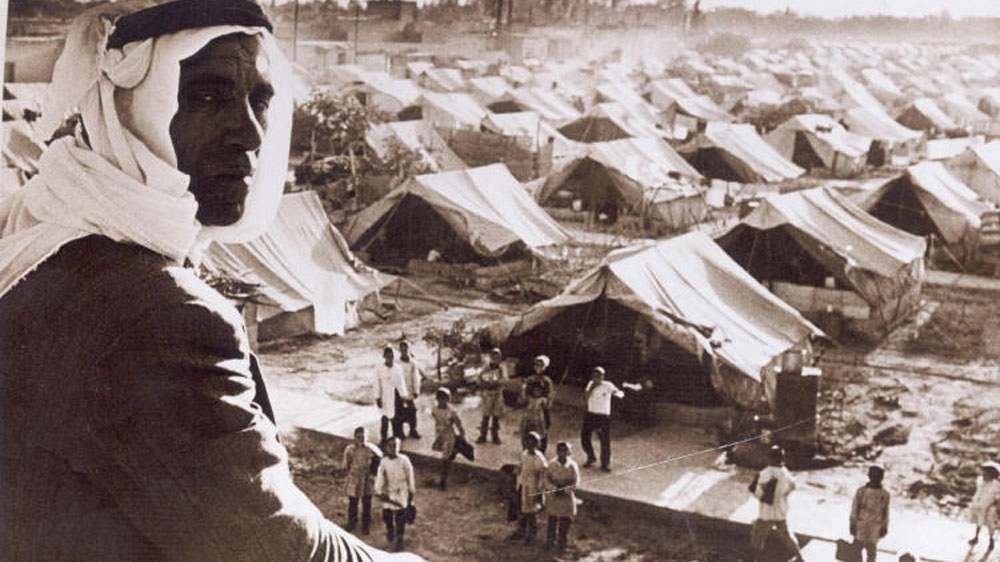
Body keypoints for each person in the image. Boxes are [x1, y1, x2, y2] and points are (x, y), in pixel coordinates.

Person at [0, 1, 423, 560]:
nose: (249, 134)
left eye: (259, 100)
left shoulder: (43, 225)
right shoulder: (156, 316)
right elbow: (280, 549)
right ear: (124, 106)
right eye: (205, 95)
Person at [749, 446, 803, 562]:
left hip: (766, 512)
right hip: (780, 511)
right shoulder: (785, 472)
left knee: (757, 536)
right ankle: (799, 556)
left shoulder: (764, 473)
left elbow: (758, 494)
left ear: (769, 458)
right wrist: (784, 495)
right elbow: (793, 486)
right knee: (787, 535)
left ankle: (755, 559)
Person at [581, 366, 638, 472]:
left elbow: (618, 393)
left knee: (604, 440)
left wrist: (620, 393)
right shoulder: (590, 384)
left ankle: (605, 463)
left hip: (602, 416)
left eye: (599, 375)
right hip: (590, 414)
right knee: (584, 438)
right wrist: (592, 388)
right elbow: (586, 396)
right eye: (595, 375)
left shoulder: (608, 385)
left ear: (603, 376)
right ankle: (591, 456)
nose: (597, 377)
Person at [375, 437, 416, 553]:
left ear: (399, 447)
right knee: (387, 515)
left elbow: (410, 476)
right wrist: (378, 490)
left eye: (395, 446)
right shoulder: (384, 461)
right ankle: (390, 530)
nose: (393, 448)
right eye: (391, 446)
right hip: (389, 491)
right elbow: (380, 476)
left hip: (401, 492)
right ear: (387, 447)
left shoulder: (404, 460)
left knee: (400, 518)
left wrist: (411, 493)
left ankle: (399, 539)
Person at [341, 427, 382, 535]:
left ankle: (366, 525)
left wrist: (374, 473)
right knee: (353, 502)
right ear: (354, 438)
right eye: (358, 437)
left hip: (366, 479)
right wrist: (349, 474)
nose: (361, 440)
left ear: (367, 438)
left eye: (363, 437)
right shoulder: (350, 449)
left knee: (366, 502)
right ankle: (352, 522)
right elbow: (347, 463)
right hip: (354, 478)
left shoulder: (372, 449)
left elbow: (379, 460)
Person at [511, 431, 548, 544]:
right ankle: (521, 530)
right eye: (528, 442)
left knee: (531, 511)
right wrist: (516, 471)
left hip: (533, 487)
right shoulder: (524, 454)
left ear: (537, 444)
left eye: (533, 443)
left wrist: (540, 492)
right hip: (522, 484)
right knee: (521, 508)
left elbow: (543, 476)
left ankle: (532, 534)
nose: (530, 445)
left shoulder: (540, 459)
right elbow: (520, 466)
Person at [544, 442, 580, 552]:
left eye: (565, 451)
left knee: (565, 518)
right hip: (554, 495)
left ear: (569, 452)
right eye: (560, 451)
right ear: (557, 452)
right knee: (553, 518)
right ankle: (550, 541)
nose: (563, 453)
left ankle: (562, 542)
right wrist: (553, 488)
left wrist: (565, 490)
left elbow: (576, 482)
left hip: (566, 496)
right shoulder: (551, 465)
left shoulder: (572, 466)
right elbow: (546, 479)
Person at [850, 464, 891, 562]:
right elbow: (855, 508)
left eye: (877, 477)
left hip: (875, 527)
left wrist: (884, 527)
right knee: (856, 551)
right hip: (861, 524)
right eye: (873, 476)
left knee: (871, 553)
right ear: (869, 476)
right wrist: (853, 524)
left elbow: (885, 512)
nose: (875, 479)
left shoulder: (884, 495)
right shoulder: (861, 492)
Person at [430, 387, 465, 490]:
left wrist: (462, 434)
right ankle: (453, 453)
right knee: (445, 455)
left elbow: (459, 424)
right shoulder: (435, 410)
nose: (441, 401)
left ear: (448, 400)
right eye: (439, 398)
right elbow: (435, 419)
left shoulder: (452, 412)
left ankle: (443, 481)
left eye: (444, 399)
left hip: (449, 436)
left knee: (445, 458)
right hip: (439, 435)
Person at [375, 345, 407, 445]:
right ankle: (383, 438)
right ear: (384, 357)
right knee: (384, 418)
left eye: (392, 356)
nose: (390, 359)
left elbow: (401, 382)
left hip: (395, 395)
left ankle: (395, 439)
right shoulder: (379, 368)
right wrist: (378, 397)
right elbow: (377, 383)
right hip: (384, 396)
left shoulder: (397, 368)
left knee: (396, 418)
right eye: (388, 357)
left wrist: (403, 396)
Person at [476, 347, 507, 445]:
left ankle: (495, 435)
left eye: (497, 356)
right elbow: (480, 378)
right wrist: (484, 384)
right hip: (487, 394)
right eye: (493, 356)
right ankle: (483, 435)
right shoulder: (486, 367)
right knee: (485, 415)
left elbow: (505, 380)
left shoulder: (502, 368)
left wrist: (497, 382)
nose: (495, 358)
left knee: (496, 416)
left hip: (497, 393)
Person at [969, 461, 1000, 551]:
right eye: (983, 472)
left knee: (990, 524)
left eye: (987, 474)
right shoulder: (980, 481)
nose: (984, 475)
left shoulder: (996, 485)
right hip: (980, 504)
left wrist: (998, 508)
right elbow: (978, 491)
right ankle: (976, 537)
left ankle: (991, 540)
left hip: (990, 506)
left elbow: (998, 498)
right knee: (979, 521)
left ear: (992, 475)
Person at [522, 355, 555, 434]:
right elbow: (525, 393)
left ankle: (543, 444)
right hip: (531, 407)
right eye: (537, 365)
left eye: (541, 366)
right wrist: (527, 398)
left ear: (545, 367)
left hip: (542, 408)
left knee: (544, 427)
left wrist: (545, 401)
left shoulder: (547, 381)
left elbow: (550, 395)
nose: (538, 368)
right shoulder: (530, 380)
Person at [396, 340, 422, 439]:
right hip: (400, 392)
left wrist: (416, 390)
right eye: (402, 349)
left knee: (412, 411)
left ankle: (413, 430)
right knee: (400, 412)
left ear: (408, 349)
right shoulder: (397, 363)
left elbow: (416, 377)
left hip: (410, 391)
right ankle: (400, 432)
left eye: (406, 349)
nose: (404, 351)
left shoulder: (413, 363)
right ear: (400, 350)